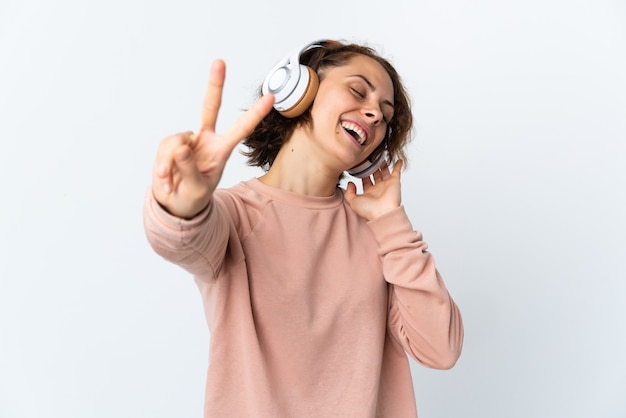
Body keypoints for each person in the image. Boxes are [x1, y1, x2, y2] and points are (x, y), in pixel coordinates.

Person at [143, 39, 463, 417]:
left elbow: (440, 348)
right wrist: (182, 202)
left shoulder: (380, 235)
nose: (375, 113)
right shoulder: (235, 215)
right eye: (358, 90)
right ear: (298, 89)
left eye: (385, 114)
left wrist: (391, 224)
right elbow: (178, 238)